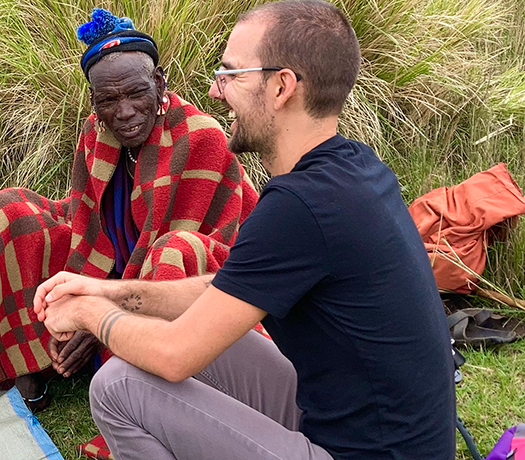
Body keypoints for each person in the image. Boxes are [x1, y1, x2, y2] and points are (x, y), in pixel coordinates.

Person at [34, 1, 456, 459]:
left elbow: (175, 355)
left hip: (362, 452)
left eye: (232, 74)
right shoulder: (354, 168)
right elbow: (225, 289)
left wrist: (89, 316)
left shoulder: (298, 207)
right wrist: (104, 292)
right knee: (166, 340)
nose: (216, 91)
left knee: (117, 388)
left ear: (281, 87)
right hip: (349, 423)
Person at [0, 8, 259, 409]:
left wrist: (95, 317)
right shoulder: (97, 132)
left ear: (159, 83)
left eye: (135, 93)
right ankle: (30, 365)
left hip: (197, 279)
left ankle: (147, 392)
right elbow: (86, 225)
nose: (124, 112)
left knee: (173, 250)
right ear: (93, 101)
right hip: (114, 269)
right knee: (6, 211)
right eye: (108, 100)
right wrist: (82, 299)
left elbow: (177, 251)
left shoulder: (199, 138)